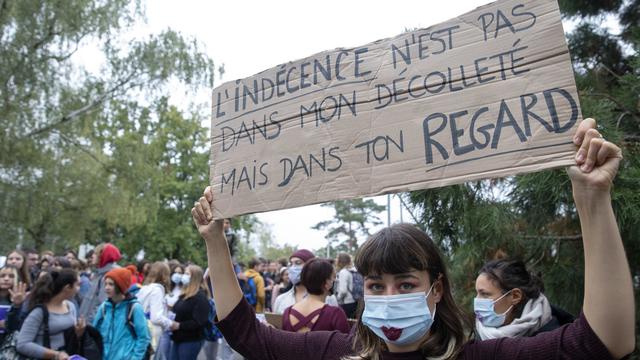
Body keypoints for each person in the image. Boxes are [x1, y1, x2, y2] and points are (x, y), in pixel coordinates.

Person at [191, 119, 635, 359]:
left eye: (406, 285)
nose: (389, 296)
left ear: (436, 288)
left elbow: (603, 342)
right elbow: (245, 333)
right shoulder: (336, 350)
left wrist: (592, 199)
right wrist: (215, 241)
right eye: (375, 286)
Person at [473, 258, 574, 340]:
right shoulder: (480, 334)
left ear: (515, 296)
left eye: (485, 294)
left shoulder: (555, 340)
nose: (477, 301)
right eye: (477, 293)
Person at [16, 269, 83, 360]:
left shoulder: (70, 306)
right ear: (67, 287)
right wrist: (55, 354)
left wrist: (78, 332)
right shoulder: (39, 312)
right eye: (77, 285)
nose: (79, 289)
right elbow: (23, 344)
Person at [93, 267, 151, 360]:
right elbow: (95, 333)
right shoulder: (104, 307)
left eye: (111, 284)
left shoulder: (134, 308)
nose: (106, 287)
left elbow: (143, 338)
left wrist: (135, 358)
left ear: (120, 286)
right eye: (106, 284)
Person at [282, 259, 350, 334]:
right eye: (334, 277)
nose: (336, 280)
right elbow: (345, 344)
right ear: (327, 283)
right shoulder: (335, 314)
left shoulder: (287, 313)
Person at [273, 249, 339, 314]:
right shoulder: (281, 299)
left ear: (311, 267)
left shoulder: (328, 299)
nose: (293, 268)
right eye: (291, 264)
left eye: (298, 263)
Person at [169, 265, 209, 360]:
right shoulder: (184, 294)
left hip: (190, 340)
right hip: (178, 338)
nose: (183, 276)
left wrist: (179, 325)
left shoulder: (200, 297)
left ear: (194, 277)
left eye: (187, 274)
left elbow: (199, 322)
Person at [137, 261, 173, 358]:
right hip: (152, 333)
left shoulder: (144, 288)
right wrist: (170, 323)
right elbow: (156, 317)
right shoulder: (157, 290)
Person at [80, 242, 121, 323]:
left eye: (95, 253)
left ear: (104, 256)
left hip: (93, 326)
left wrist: (91, 324)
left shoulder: (108, 276)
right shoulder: (99, 273)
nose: (92, 256)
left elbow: (103, 304)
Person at [0, 265, 27, 344]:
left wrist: (17, 305)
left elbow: (17, 325)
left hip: (9, 344)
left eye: (11, 276)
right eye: (2, 276)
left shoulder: (23, 298)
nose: (6, 279)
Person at [335, 253, 358, 319]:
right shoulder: (354, 270)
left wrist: (337, 299)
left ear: (341, 261)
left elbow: (343, 290)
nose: (336, 260)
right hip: (355, 301)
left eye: (337, 258)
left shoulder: (343, 272)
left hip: (346, 302)